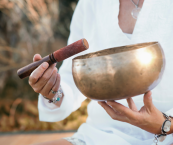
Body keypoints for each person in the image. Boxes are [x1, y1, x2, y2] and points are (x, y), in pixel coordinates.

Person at [29, 0, 173, 144]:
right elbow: (71, 80)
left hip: (167, 135)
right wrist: (53, 92)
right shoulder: (91, 3)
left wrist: (166, 124)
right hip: (101, 135)